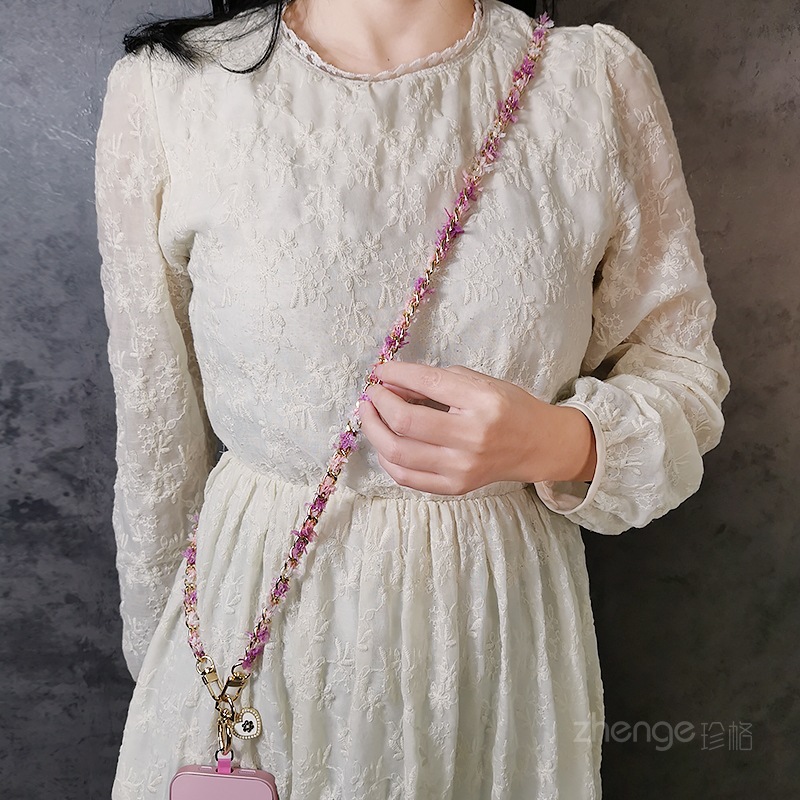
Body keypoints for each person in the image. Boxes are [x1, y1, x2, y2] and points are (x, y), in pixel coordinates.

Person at [94, 0, 731, 797]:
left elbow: (681, 371)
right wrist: (163, 676)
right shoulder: (172, 89)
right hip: (254, 631)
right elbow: (155, 435)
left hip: (495, 632)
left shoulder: (590, 81)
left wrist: (556, 442)